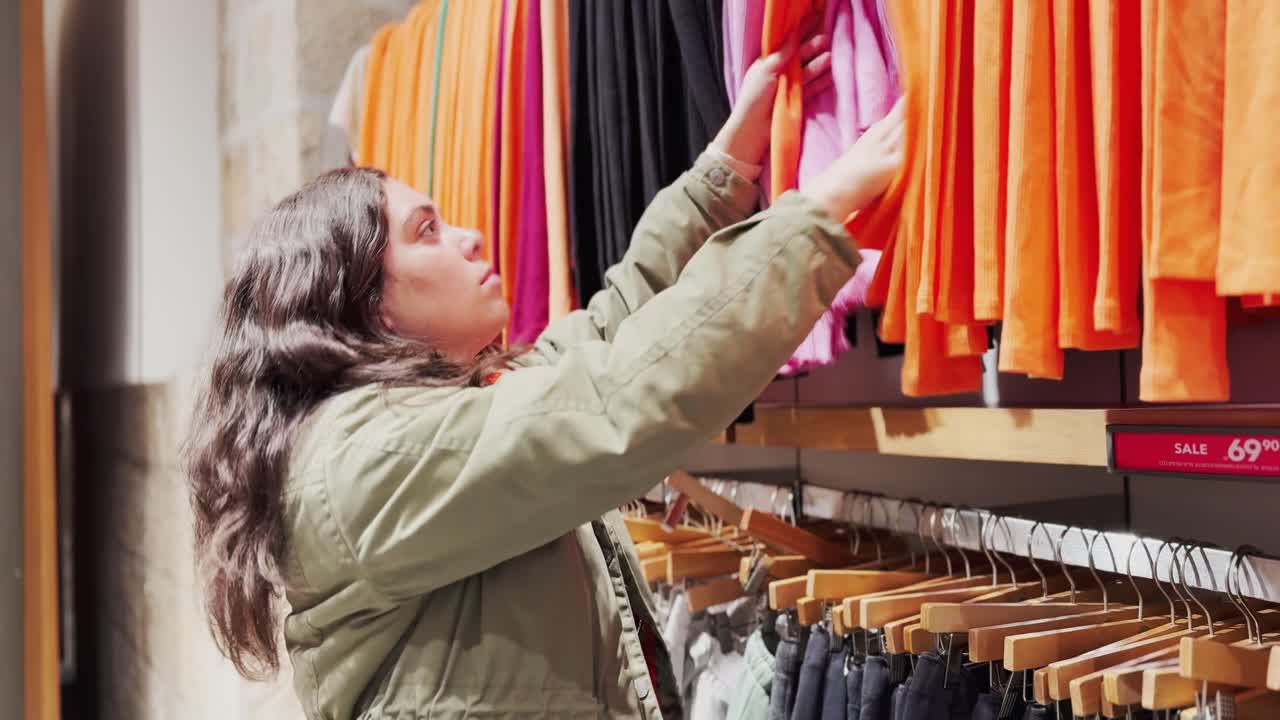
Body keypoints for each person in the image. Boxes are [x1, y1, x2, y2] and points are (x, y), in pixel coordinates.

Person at [184, 18, 904, 720]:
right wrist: (818, 212)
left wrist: (726, 168)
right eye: (427, 231)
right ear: (365, 306)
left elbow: (604, 333)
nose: (467, 237)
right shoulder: (368, 458)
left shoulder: (427, 414)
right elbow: (613, 401)